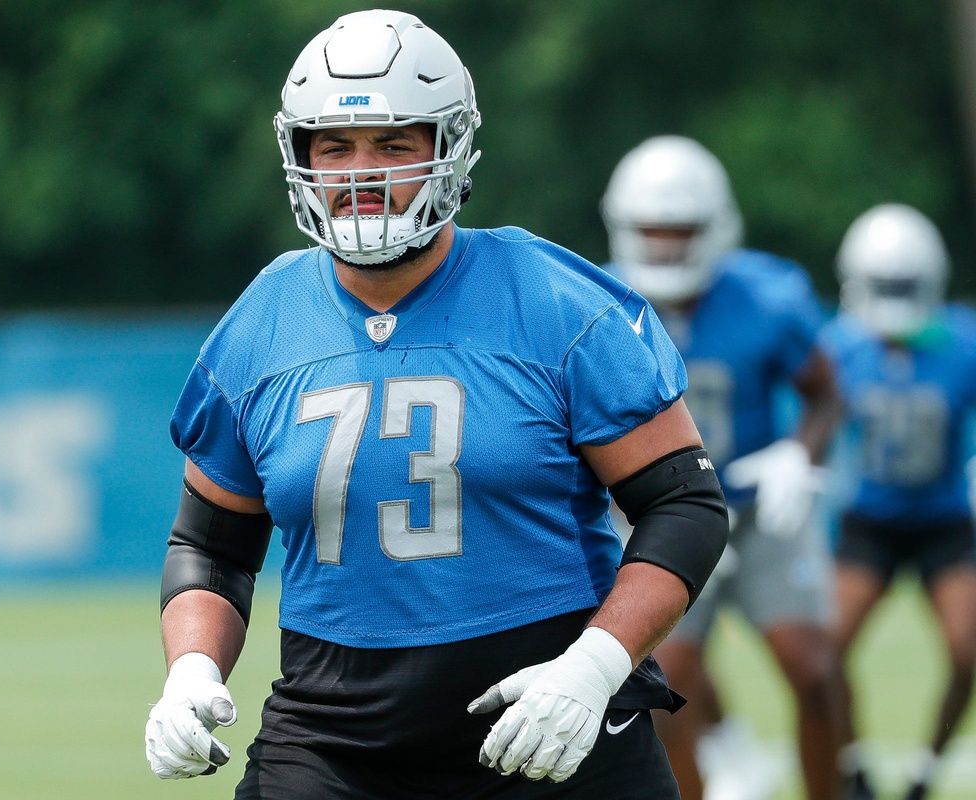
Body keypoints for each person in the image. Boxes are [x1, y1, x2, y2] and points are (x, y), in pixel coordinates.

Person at [144, 9, 729, 798]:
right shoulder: (263, 319)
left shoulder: (554, 299)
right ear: (300, 156)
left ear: (448, 148)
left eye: (394, 145)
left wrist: (594, 667)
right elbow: (212, 547)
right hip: (333, 733)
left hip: (549, 714)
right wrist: (190, 671)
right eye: (335, 146)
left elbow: (685, 505)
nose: (361, 172)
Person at [601, 135, 847, 800]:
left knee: (813, 666)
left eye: (680, 232)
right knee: (664, 683)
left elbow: (825, 393)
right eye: (651, 232)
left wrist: (801, 452)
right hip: (658, 512)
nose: (665, 248)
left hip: (762, 505)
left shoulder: (769, 293)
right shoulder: (597, 301)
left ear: (714, 227)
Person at [821, 204, 976, 800]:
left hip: (945, 522)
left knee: (967, 650)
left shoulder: (960, 342)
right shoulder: (838, 346)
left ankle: (924, 775)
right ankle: (856, 767)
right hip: (871, 522)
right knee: (827, 649)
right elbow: (803, 407)